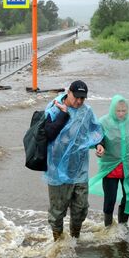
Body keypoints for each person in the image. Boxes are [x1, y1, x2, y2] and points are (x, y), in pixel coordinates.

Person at [44, 80, 105, 241]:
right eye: (76, 97)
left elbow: (95, 130)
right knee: (57, 211)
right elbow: (48, 134)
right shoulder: (54, 108)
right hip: (57, 171)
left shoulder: (86, 111)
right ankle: (58, 242)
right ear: (68, 93)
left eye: (82, 98)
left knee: (81, 208)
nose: (79, 101)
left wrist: (99, 144)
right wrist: (64, 114)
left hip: (80, 169)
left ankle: (74, 240)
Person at [89, 95, 129, 227]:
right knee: (110, 199)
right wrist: (99, 148)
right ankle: (108, 227)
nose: (121, 114)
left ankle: (123, 225)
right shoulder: (104, 122)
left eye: (124, 111)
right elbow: (97, 139)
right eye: (118, 111)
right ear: (112, 109)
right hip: (110, 166)